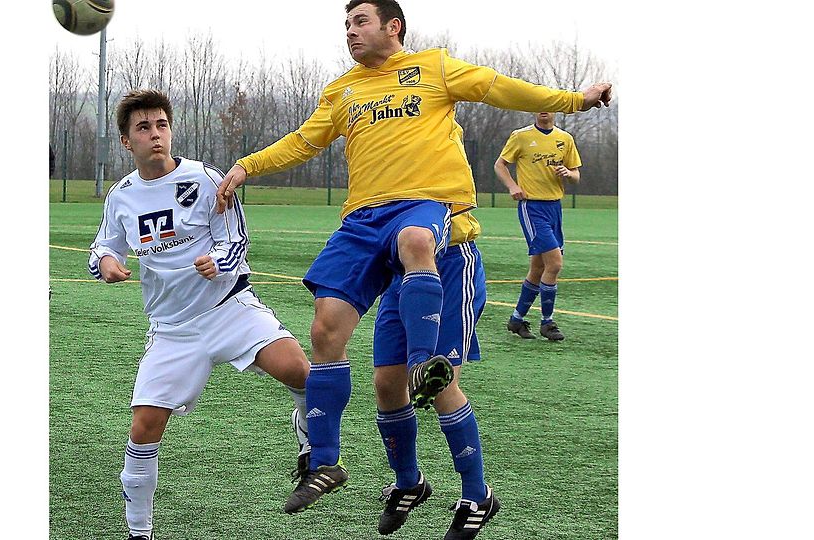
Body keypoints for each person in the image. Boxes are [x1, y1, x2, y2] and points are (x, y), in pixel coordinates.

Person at [215, 0, 611, 533]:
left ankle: (477, 495)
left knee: (437, 372)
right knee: (378, 376)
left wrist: (575, 100)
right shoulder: (342, 91)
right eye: (346, 24)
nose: (350, 32)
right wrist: (246, 165)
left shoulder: (434, 68)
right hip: (380, 237)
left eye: (360, 21)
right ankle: (393, 479)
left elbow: (500, 87)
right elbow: (303, 141)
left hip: (446, 252)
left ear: (393, 26)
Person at [87, 89, 312, 540]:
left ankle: (309, 442)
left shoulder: (205, 179)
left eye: (161, 125)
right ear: (126, 142)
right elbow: (102, 247)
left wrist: (219, 261)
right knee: (144, 427)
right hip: (172, 329)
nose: (155, 134)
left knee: (303, 373)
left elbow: (235, 239)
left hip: (228, 309)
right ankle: (139, 533)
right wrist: (106, 263)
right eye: (143, 128)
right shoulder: (122, 196)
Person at [372, 210, 498, 539]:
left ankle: (477, 496)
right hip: (403, 265)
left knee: (441, 383)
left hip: (451, 261)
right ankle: (409, 482)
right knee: (387, 383)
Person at [495, 112, 582, 341]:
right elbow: (500, 164)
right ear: (534, 110)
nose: (544, 110)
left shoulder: (565, 138)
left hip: (555, 208)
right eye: (539, 106)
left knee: (538, 267)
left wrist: (568, 173)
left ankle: (516, 319)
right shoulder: (521, 136)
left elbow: (576, 175)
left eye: (548, 106)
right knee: (555, 263)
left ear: (554, 110)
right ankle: (547, 322)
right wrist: (512, 186)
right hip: (532, 207)